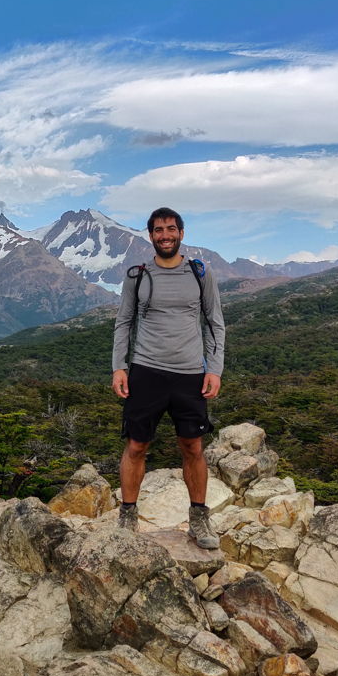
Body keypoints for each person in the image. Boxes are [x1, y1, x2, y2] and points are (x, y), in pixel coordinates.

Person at [111, 207, 225, 548]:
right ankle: (128, 515)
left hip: (191, 373)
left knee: (193, 446)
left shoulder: (200, 274)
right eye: (159, 230)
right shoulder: (138, 275)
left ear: (181, 233)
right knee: (136, 445)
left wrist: (214, 369)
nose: (165, 235)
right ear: (150, 236)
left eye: (171, 229)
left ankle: (199, 519)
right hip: (146, 371)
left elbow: (215, 322)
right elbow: (124, 322)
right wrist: (119, 365)